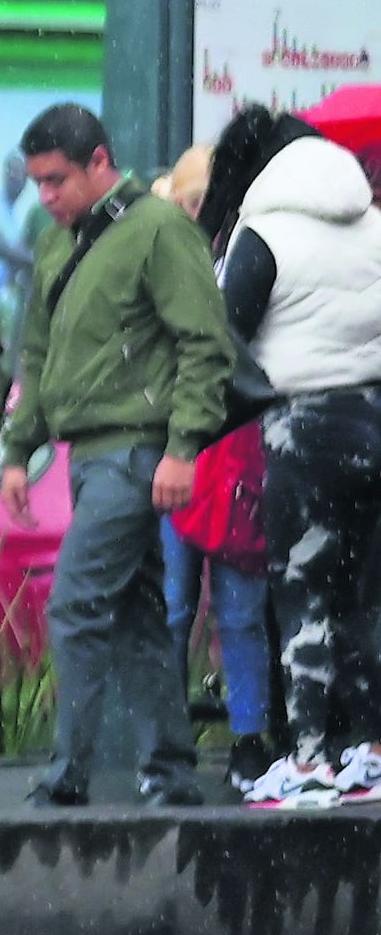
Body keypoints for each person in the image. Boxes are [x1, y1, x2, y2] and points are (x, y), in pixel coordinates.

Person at [0, 101, 233, 807]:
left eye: (57, 179)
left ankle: (70, 772)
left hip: (134, 448)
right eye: (36, 181)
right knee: (134, 614)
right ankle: (167, 769)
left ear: (100, 162)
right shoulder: (56, 242)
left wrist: (183, 446)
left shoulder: (160, 229)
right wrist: (19, 449)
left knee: (76, 604)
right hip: (93, 453)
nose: (45, 195)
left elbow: (205, 342)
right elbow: (38, 354)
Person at [224, 117, 381, 806]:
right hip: (373, 420)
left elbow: (221, 335)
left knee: (303, 590)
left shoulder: (263, 236)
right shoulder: (374, 227)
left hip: (301, 429)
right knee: (365, 593)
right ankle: (370, 751)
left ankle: (311, 756)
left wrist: (250, 400)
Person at [169, 121, 289, 790]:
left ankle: (248, 735)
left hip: (234, 452)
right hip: (192, 451)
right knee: (173, 605)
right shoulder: (176, 253)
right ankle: (166, 738)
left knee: (237, 607)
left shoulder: (251, 250)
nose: (195, 209)